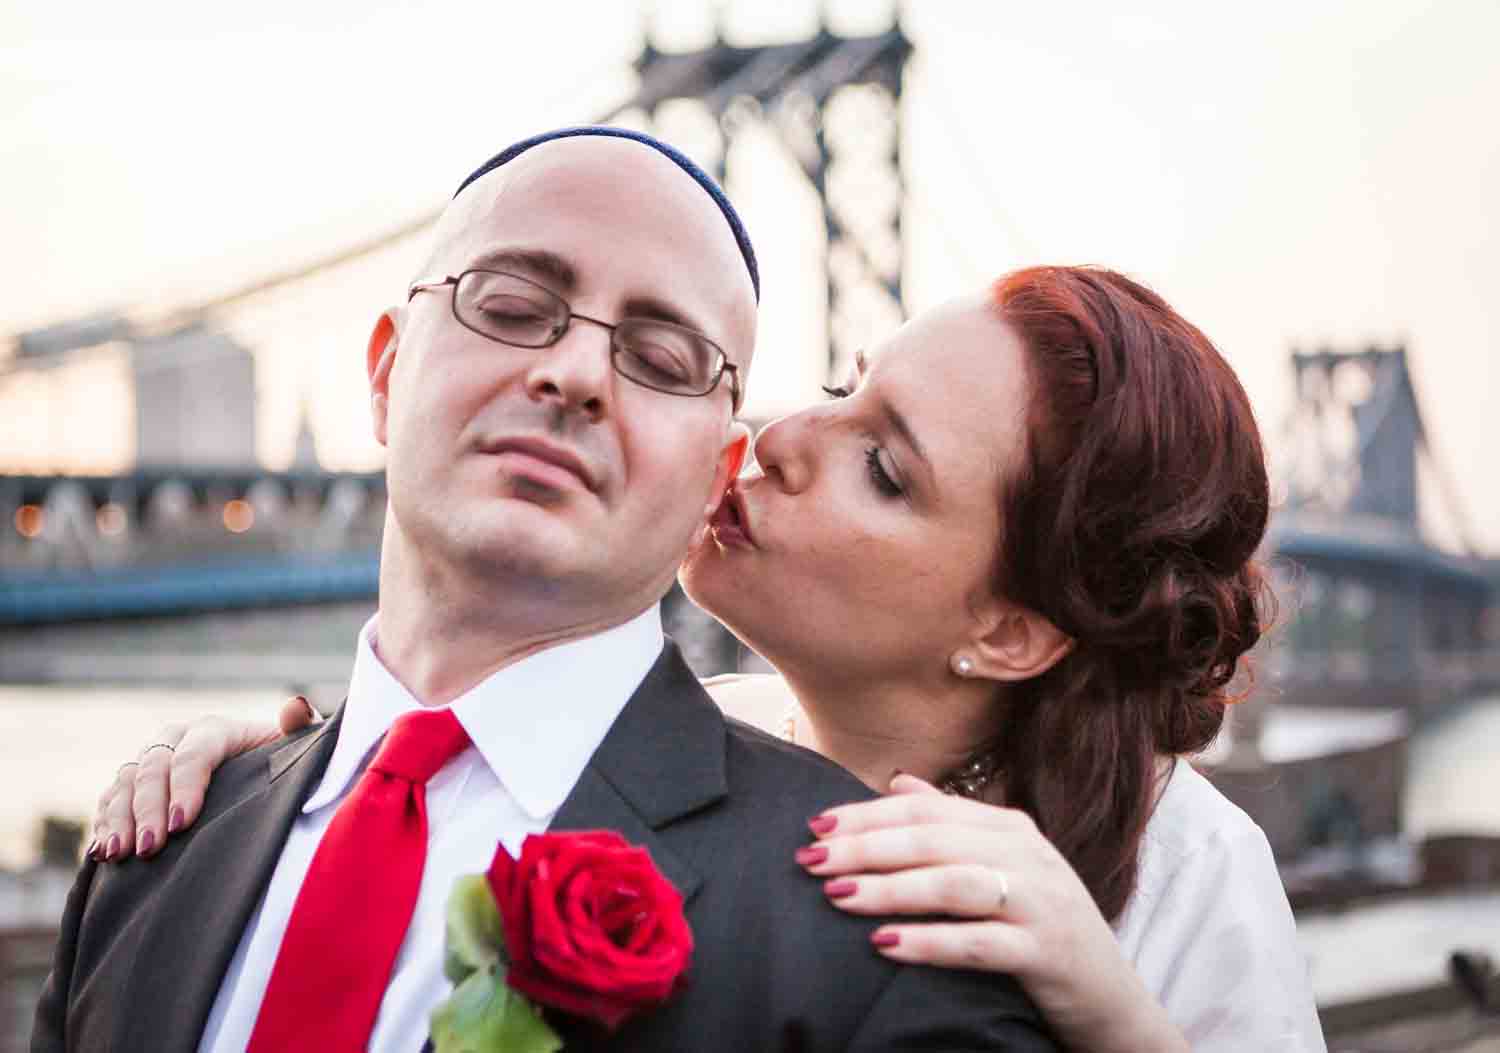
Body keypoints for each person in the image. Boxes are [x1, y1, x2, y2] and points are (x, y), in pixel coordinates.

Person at [88, 265, 1328, 1050]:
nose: (777, 432)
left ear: (1010, 632)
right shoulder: (660, 746)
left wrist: (1107, 1010)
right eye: (843, 387)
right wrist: (284, 787)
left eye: (884, 468)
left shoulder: (1187, 873)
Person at [33, 127, 1058, 1053]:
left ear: (717, 476)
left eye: (661, 357)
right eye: (514, 306)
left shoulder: (882, 940)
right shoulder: (149, 861)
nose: (576, 373)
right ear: (386, 374)